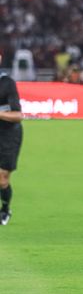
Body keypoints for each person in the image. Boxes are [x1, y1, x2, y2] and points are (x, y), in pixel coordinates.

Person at [0, 53, 24, 225]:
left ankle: (5, 209)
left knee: (2, 179)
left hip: (8, 134)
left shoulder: (7, 83)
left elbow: (18, 115)